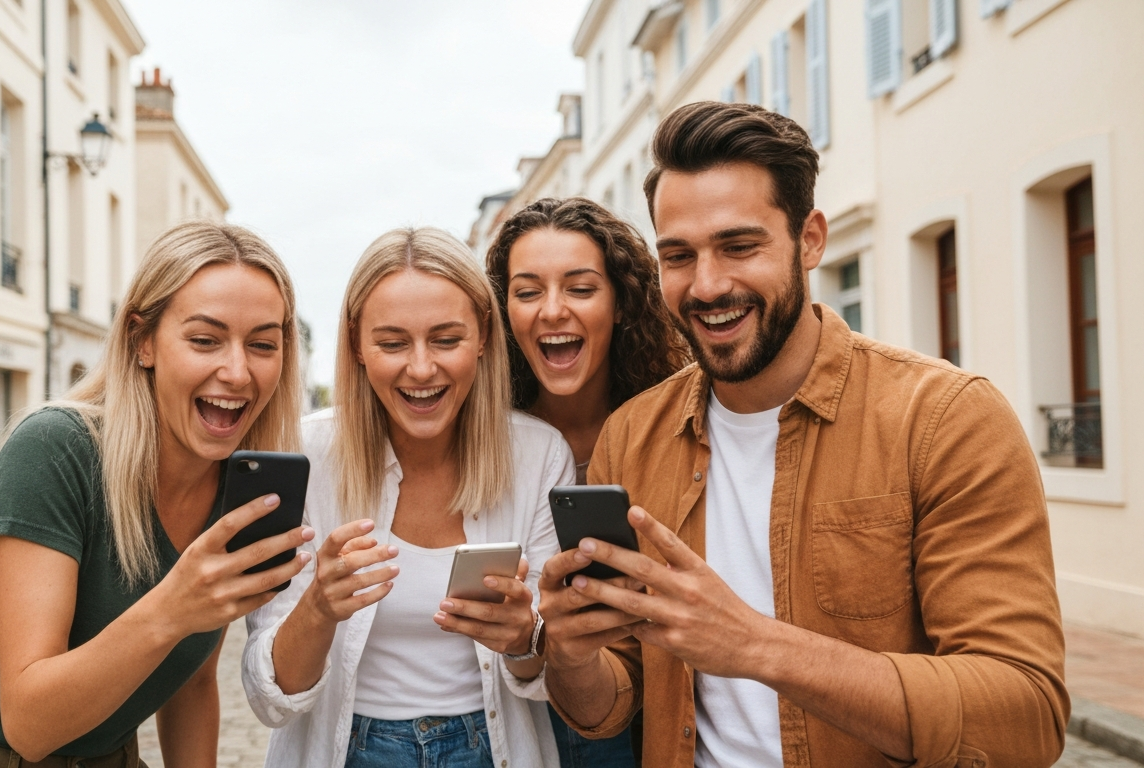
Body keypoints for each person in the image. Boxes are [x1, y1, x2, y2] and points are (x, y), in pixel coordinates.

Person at [539, 101, 1069, 767]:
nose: (707, 285)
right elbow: (611, 703)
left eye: (739, 246)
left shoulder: (947, 419)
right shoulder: (631, 435)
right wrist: (571, 656)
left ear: (810, 239)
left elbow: (1025, 717)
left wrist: (754, 644)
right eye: (678, 255)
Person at [0, 222, 312, 768]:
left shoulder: (236, 488)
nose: (237, 372)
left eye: (262, 345)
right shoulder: (54, 449)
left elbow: (191, 683)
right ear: (142, 341)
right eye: (205, 340)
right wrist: (173, 607)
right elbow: (30, 727)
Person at [242, 227, 570, 768]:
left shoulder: (538, 455)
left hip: (493, 748)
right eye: (393, 344)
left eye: (446, 340)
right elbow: (271, 696)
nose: (420, 369)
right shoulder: (305, 457)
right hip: (347, 749)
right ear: (357, 345)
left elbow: (546, 677)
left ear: (484, 336)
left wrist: (525, 640)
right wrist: (318, 608)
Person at [485, 196, 688, 766]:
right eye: (527, 292)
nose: (552, 310)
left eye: (579, 288)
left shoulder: (676, 424)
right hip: (520, 714)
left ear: (621, 304)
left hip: (652, 707)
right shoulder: (482, 436)